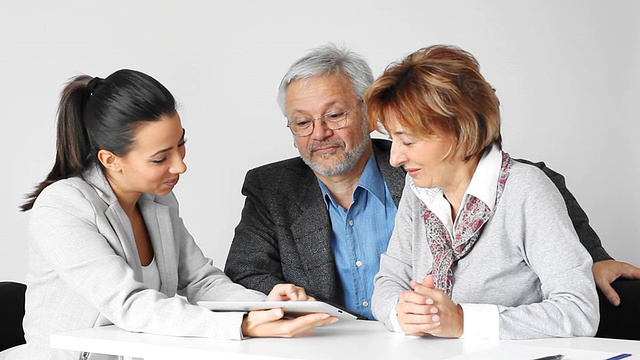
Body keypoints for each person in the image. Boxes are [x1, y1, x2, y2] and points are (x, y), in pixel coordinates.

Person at [224, 43, 640, 320]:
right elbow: (245, 274)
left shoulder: (428, 173)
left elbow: (514, 180)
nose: (319, 133)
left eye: (334, 115)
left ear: (369, 116)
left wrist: (591, 256)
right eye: (301, 122)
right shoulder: (273, 186)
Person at [11, 70, 336, 360]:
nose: (180, 165)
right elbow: (130, 305)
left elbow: (200, 280)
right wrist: (242, 325)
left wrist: (264, 305)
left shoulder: (157, 201)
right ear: (111, 160)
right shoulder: (62, 207)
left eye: (180, 145)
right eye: (159, 158)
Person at [366, 44, 598, 338]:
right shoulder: (419, 190)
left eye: (408, 141)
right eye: (392, 140)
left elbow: (579, 311)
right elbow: (388, 281)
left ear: (461, 129)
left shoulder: (526, 190)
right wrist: (402, 313)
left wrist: (463, 321)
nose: (394, 158)